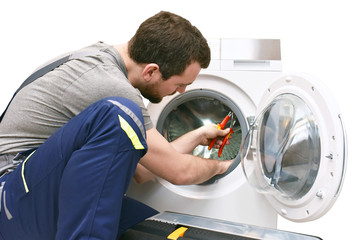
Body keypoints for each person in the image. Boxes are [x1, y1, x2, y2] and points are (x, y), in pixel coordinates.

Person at [0, 11, 233, 239]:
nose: (181, 91)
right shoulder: (111, 87)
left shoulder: (101, 56)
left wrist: (197, 135)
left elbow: (142, 170)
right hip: (11, 201)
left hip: (35, 193)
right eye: (180, 84)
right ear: (151, 71)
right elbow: (179, 171)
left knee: (163, 232)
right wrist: (222, 167)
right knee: (117, 113)